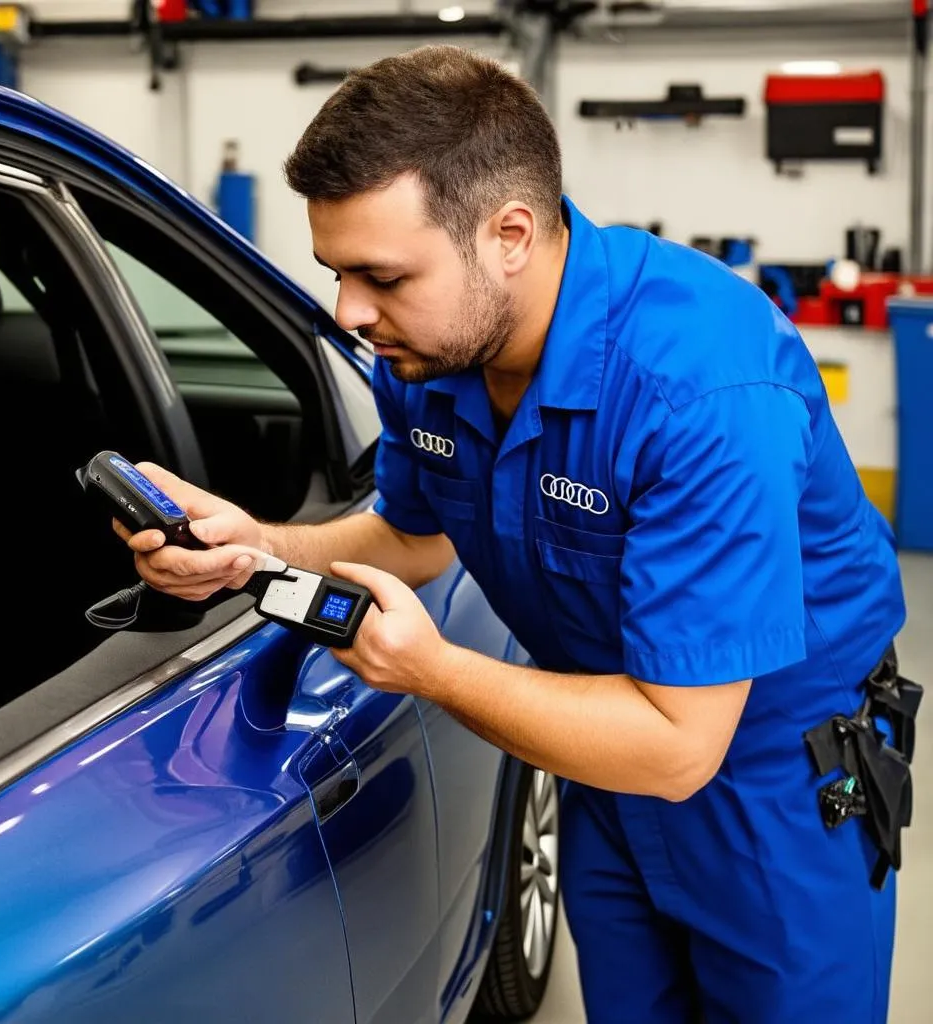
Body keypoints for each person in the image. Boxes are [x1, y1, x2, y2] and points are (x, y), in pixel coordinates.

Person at [116, 45, 914, 1023]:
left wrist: (432, 668)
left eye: (380, 276)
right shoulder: (427, 352)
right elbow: (416, 536)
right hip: (599, 756)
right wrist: (261, 542)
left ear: (509, 234)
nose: (349, 313)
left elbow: (676, 747)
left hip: (772, 786)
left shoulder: (700, 388)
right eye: (335, 273)